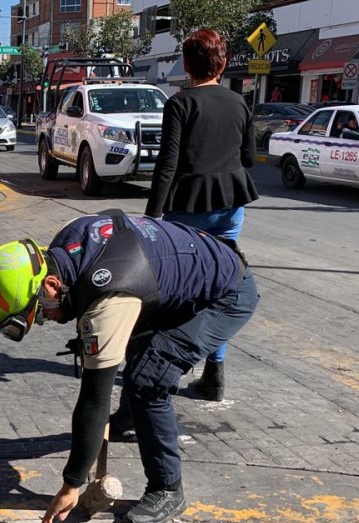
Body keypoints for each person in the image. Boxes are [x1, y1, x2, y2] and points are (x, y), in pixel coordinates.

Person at [0, 211, 259, 523]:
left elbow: (93, 400)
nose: (48, 320)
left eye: (40, 314)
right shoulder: (65, 246)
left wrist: (72, 483)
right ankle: (129, 421)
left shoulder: (109, 298)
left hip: (225, 295)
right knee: (139, 350)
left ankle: (167, 489)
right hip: (173, 275)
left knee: (149, 380)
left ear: (52, 285)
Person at [143, 28, 258, 406]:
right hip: (230, 203)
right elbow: (249, 157)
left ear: (186, 65)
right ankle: (215, 374)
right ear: (222, 63)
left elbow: (167, 165)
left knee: (182, 290)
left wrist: (151, 219)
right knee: (222, 286)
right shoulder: (239, 102)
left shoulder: (180, 103)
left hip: (187, 209)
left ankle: (170, 367)